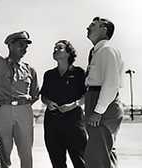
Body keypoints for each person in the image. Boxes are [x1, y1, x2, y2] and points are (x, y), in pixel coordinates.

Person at [0, 4, 39, 168]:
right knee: (2, 153)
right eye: (20, 44)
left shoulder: (30, 70)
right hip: (3, 111)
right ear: (10, 45)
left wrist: (22, 105)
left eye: (26, 46)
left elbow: (35, 94)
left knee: (26, 153)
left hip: (24, 111)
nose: (24, 48)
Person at [40, 40, 87, 168]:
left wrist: (73, 104)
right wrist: (48, 102)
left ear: (68, 53)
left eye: (59, 48)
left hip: (74, 122)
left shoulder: (79, 73)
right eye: (54, 48)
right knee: (57, 163)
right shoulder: (49, 75)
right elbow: (43, 96)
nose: (55, 50)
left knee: (80, 161)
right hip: (52, 123)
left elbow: (86, 96)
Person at [84, 17, 124, 168]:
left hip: (102, 104)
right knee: (102, 153)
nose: (88, 27)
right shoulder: (97, 52)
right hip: (95, 99)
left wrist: (98, 111)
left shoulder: (107, 50)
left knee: (98, 157)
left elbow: (111, 83)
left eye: (93, 25)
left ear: (104, 29)